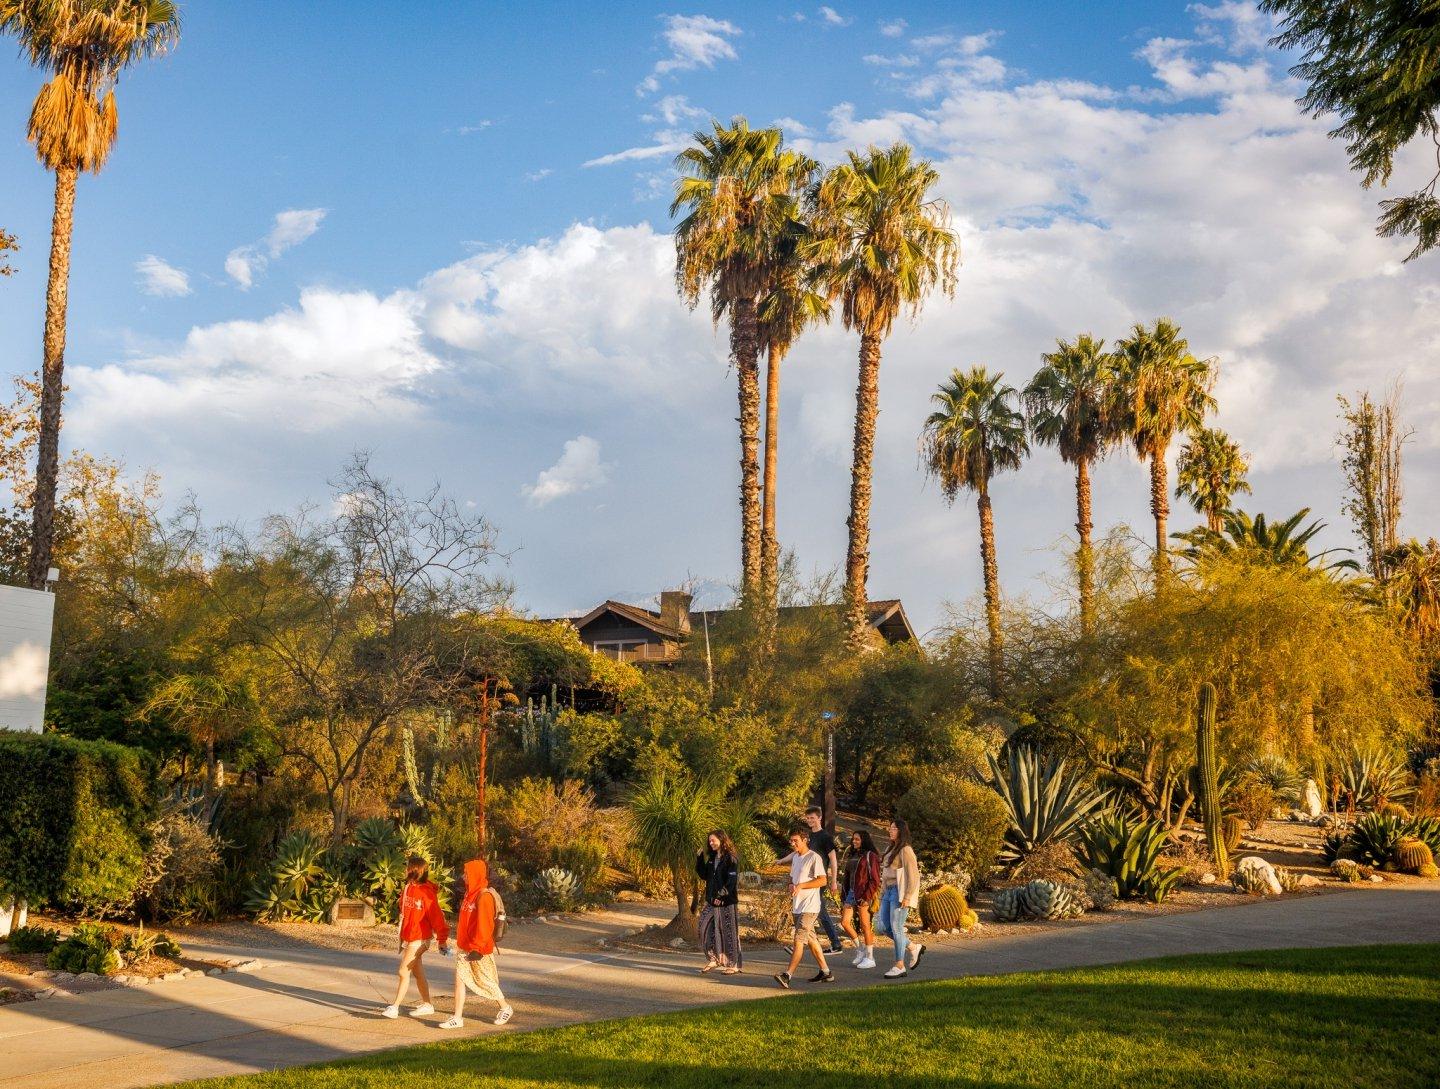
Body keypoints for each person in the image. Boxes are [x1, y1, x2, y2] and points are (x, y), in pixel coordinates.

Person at [439, 858, 513, 1028]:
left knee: (485, 980)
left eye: (467, 874)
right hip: (465, 946)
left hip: (479, 949)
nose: (464, 877)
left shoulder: (484, 896)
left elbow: (485, 925)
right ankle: (457, 1018)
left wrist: (477, 948)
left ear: (476, 874)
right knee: (460, 979)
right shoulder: (468, 894)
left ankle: (505, 1007)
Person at [381, 855, 450, 1018]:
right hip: (410, 938)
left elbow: (438, 919)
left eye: (407, 867)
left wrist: (442, 940)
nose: (405, 869)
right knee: (418, 973)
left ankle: (395, 1007)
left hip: (420, 940)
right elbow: (403, 908)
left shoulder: (427, 894)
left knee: (403, 972)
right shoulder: (407, 889)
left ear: (413, 870)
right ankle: (427, 1005)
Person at [777, 806, 844, 954]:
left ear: (819, 818)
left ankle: (807, 944)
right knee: (816, 911)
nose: (810, 821)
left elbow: (833, 858)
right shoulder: (808, 836)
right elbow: (796, 853)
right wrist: (781, 861)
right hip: (805, 880)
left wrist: (833, 880)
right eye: (807, 818)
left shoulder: (825, 837)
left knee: (817, 910)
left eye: (812, 818)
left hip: (817, 879)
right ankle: (830, 943)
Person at [773, 825, 834, 989]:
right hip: (797, 906)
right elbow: (793, 879)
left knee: (798, 939)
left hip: (810, 907)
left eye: (796, 841)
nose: (792, 843)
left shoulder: (814, 857)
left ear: (805, 840)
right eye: (791, 841)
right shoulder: (796, 858)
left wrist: (801, 886)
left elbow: (823, 880)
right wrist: (792, 886)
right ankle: (826, 972)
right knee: (811, 939)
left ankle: (787, 975)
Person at [875, 817, 924, 978]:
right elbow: (885, 873)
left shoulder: (905, 849)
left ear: (901, 831)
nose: (890, 830)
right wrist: (881, 893)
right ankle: (913, 947)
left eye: (894, 828)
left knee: (896, 929)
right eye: (890, 828)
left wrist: (908, 896)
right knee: (883, 928)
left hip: (898, 892)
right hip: (888, 891)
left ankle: (899, 965)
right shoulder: (890, 848)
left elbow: (913, 875)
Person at [694, 830, 742, 974]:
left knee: (728, 933)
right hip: (711, 900)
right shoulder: (712, 858)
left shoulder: (730, 858)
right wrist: (699, 858)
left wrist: (720, 896)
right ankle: (713, 959)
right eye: (709, 841)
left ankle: (733, 965)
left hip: (726, 902)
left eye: (713, 840)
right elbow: (703, 875)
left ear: (722, 840)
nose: (711, 843)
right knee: (703, 927)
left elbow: (731, 882)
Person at [840, 829, 881, 970]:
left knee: (865, 925)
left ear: (864, 840)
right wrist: (843, 894)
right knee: (845, 922)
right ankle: (861, 949)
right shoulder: (853, 855)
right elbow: (847, 876)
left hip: (864, 894)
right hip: (851, 892)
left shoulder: (870, 856)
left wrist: (867, 896)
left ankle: (870, 957)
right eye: (853, 839)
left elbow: (875, 880)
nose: (854, 841)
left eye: (857, 839)